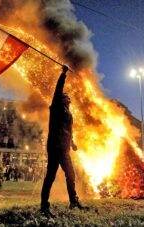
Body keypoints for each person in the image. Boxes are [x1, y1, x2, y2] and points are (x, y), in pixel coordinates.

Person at [40, 65, 87, 217]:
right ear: (62, 100)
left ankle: (73, 201)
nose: (69, 100)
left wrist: (72, 143)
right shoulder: (56, 108)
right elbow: (58, 90)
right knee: (51, 176)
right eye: (67, 99)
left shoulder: (68, 113)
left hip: (64, 148)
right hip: (55, 147)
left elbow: (68, 130)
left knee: (70, 174)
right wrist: (63, 74)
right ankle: (44, 206)